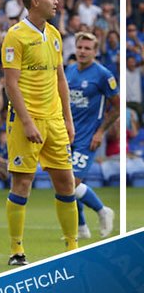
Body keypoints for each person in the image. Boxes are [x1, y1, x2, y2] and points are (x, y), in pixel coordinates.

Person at [1, 0, 78, 267]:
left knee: (65, 182)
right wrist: (27, 121)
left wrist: (67, 120)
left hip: (55, 120)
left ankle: (73, 247)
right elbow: (11, 84)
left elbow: (61, 80)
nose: (56, 1)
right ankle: (17, 250)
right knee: (22, 182)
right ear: (35, 2)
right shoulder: (15, 36)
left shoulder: (55, 35)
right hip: (26, 121)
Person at [64, 31, 118, 239]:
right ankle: (81, 228)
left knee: (71, 183)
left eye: (88, 48)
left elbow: (117, 106)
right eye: (80, 47)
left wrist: (100, 132)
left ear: (95, 52)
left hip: (88, 137)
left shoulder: (103, 75)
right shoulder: (69, 70)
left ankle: (103, 211)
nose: (83, 51)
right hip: (67, 134)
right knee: (64, 182)